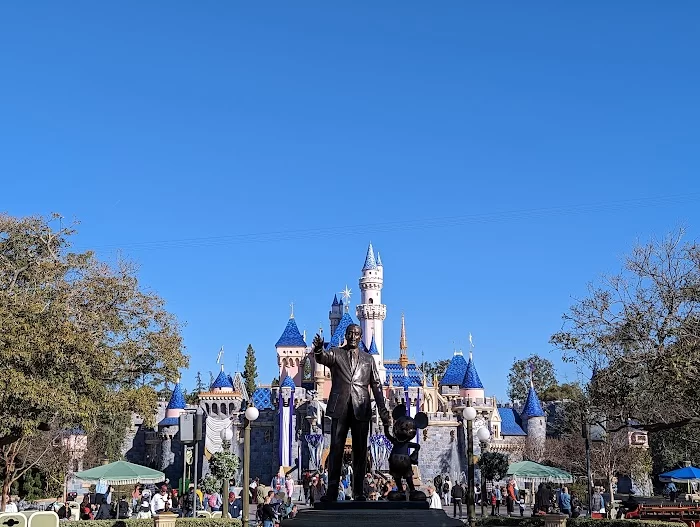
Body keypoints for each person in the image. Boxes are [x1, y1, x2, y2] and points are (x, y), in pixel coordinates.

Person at [312, 325, 391, 501]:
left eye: (356, 333)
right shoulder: (336, 353)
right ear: (345, 335)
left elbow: (377, 385)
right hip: (340, 408)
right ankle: (332, 491)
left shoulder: (368, 359)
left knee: (361, 452)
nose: (353, 336)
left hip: (361, 408)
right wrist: (318, 349)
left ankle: (358, 492)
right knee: (336, 450)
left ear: (361, 336)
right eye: (350, 333)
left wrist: (383, 409)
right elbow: (322, 358)